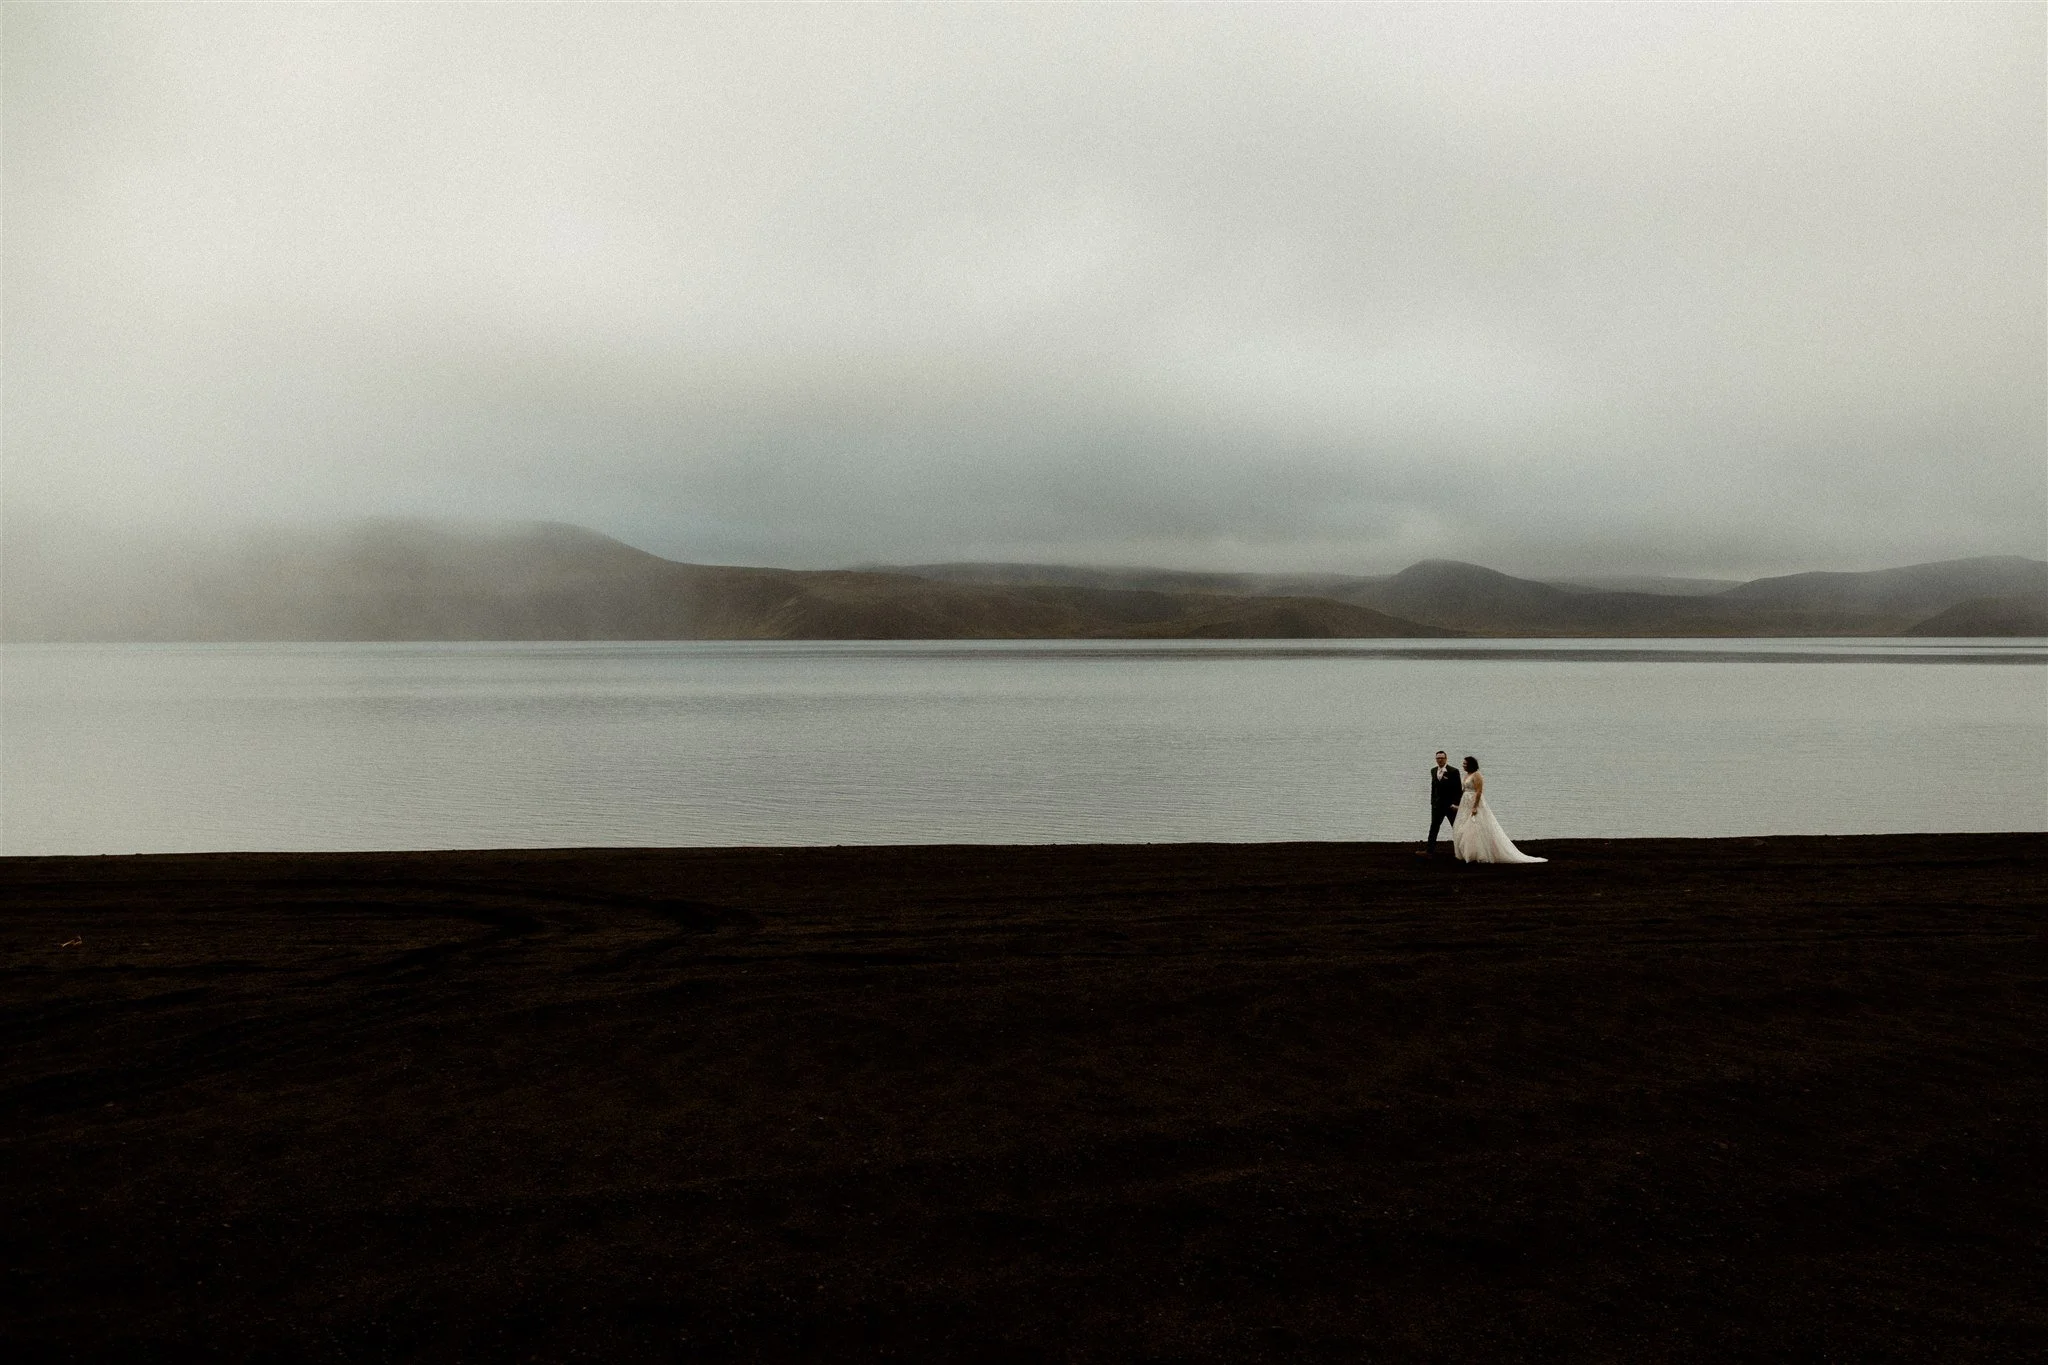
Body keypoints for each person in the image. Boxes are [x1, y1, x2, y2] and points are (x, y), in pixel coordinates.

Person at [1452, 755, 1546, 864]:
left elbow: (1479, 791)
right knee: (1463, 826)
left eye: (1465, 763)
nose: (1463, 765)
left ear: (1470, 764)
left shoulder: (1477, 775)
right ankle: (1467, 852)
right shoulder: (1466, 775)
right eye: (1463, 763)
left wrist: (1475, 806)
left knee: (1475, 826)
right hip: (1465, 802)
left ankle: (1478, 853)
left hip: (1474, 801)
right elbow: (1464, 790)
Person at [1425, 750, 1462, 856]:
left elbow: (1458, 789)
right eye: (1438, 758)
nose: (1440, 760)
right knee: (1434, 828)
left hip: (1451, 806)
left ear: (1446, 759)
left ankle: (1462, 851)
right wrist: (1433, 802)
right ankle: (1429, 851)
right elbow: (1434, 787)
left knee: (1456, 828)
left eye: (1442, 758)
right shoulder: (1433, 770)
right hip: (1437, 806)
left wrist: (1456, 804)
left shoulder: (1453, 771)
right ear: (1436, 759)